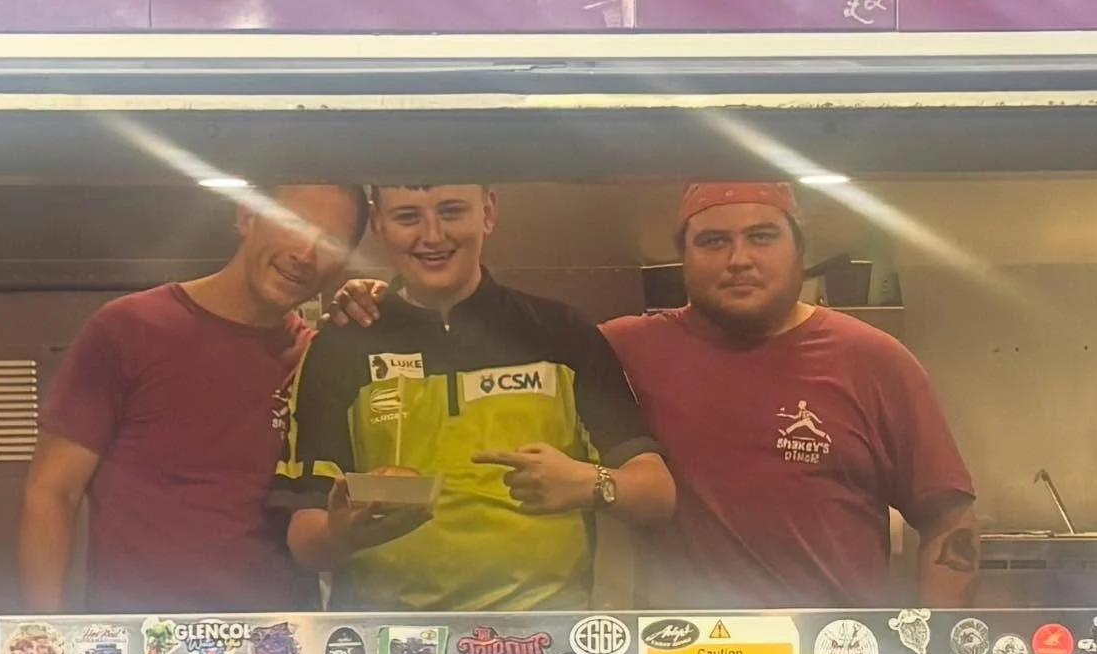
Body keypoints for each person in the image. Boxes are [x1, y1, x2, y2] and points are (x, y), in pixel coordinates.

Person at [271, 184, 675, 612]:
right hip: (390, 644)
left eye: (451, 211)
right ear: (379, 225)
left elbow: (658, 494)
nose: (431, 236)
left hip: (543, 640)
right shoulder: (341, 344)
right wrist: (343, 534)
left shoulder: (563, 333)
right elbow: (304, 535)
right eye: (408, 216)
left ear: (488, 211)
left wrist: (590, 484)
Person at [601, 181, 979, 608]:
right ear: (682, 256)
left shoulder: (873, 360)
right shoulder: (619, 351)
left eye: (762, 237)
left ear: (800, 250)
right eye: (713, 241)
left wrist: (942, 645)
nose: (739, 259)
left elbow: (948, 520)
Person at [18, 184, 368, 616]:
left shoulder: (318, 360)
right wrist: (42, 644)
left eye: (330, 241)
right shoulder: (129, 330)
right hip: (144, 652)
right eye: (293, 224)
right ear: (246, 216)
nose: (306, 254)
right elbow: (53, 491)